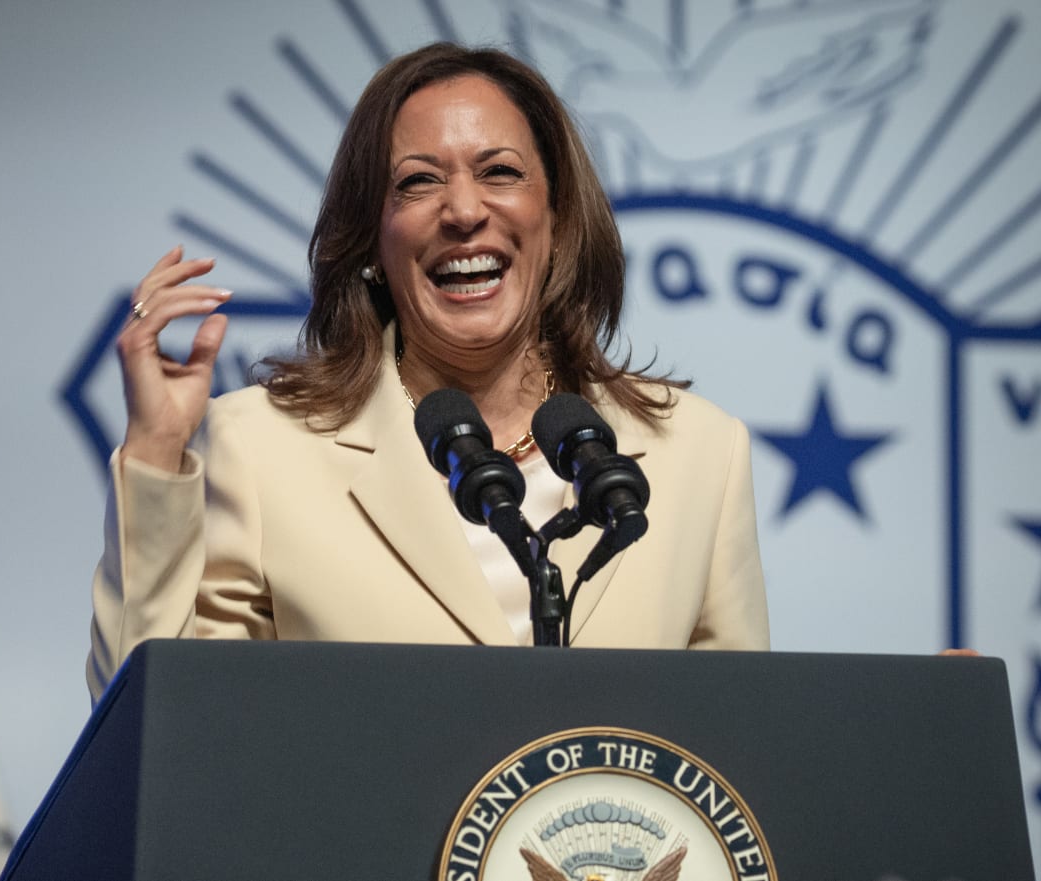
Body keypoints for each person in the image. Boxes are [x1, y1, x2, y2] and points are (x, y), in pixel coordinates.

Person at [88, 43, 768, 702]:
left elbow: (743, 751)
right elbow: (161, 731)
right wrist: (155, 450)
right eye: (418, 181)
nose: (466, 211)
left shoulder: (700, 454)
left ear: (557, 219)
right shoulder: (260, 449)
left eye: (500, 171)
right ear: (372, 243)